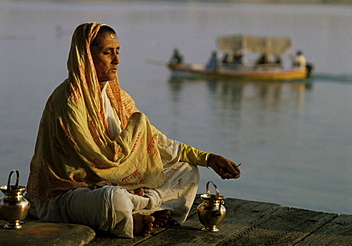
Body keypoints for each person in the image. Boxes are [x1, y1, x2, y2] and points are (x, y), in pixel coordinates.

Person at [26, 23, 241, 239]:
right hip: (67, 193)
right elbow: (95, 165)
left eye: (117, 52)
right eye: (107, 53)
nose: (116, 60)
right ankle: (140, 208)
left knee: (187, 171)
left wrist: (208, 158)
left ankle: (138, 207)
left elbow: (155, 141)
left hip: (118, 185)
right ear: (86, 56)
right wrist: (129, 184)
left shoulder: (119, 98)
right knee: (112, 200)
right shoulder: (69, 101)